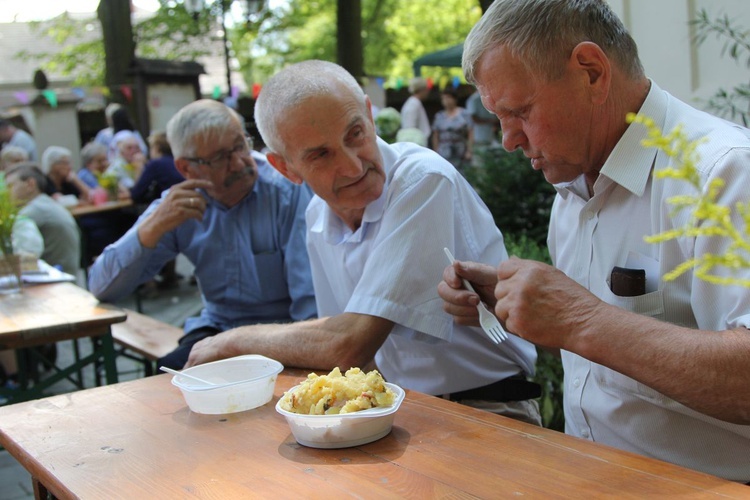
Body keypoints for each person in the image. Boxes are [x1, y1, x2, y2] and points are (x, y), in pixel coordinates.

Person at [438, 0, 750, 483]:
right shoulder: (572, 190)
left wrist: (579, 319)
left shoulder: (725, 174)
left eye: (519, 111)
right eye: (499, 117)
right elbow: (604, 350)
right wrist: (508, 301)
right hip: (585, 476)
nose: (507, 140)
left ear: (591, 72)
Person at [185, 60, 542, 425]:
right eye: (321, 154)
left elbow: (346, 346)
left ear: (369, 117)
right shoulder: (316, 216)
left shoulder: (422, 180)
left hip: (488, 411)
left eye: (355, 133)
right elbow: (340, 343)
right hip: (394, 410)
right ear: (286, 169)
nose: (353, 166)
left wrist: (230, 341)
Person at [88, 99, 317, 370]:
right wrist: (153, 226)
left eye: (240, 145)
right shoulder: (181, 205)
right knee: (170, 378)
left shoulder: (287, 191)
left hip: (283, 333)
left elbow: (309, 310)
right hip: (216, 329)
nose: (239, 162)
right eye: (220, 157)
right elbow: (102, 286)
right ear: (186, 168)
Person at [5, 163, 80, 275]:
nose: (7, 193)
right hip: (67, 275)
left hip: (54, 281)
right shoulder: (46, 203)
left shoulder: (33, 211)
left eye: (11, 186)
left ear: (30, 184)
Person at [129, 131, 184, 205]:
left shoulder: (156, 163)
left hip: (172, 205)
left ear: (157, 148)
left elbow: (136, 195)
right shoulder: (177, 161)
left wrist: (139, 170)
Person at [431, 88, 474, 171]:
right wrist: (436, 151)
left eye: (448, 98)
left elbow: (470, 132)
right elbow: (435, 135)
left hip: (460, 150)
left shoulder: (464, 114)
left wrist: (469, 150)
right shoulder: (439, 116)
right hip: (444, 150)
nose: (446, 101)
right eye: (443, 98)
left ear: (454, 99)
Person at [465, 89, 499, 165]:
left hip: (490, 141)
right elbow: (474, 120)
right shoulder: (474, 99)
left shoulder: (491, 97)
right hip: (478, 142)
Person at [400, 77, 431, 142]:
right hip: (416, 143)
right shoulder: (413, 104)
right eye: (426, 89)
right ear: (422, 89)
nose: (428, 92)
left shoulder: (415, 103)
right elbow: (410, 128)